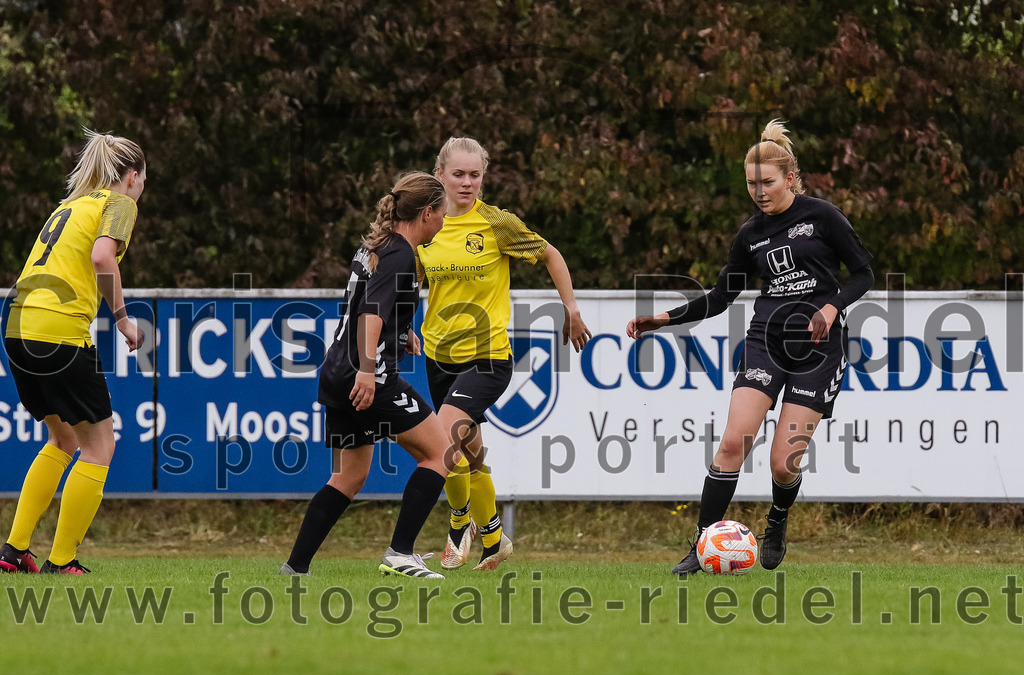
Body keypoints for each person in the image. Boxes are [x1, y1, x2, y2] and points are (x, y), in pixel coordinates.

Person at [627, 120, 873, 574]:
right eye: (751, 185)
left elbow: (863, 273)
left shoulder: (823, 217)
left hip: (818, 348)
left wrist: (832, 308)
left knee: (783, 463)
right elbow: (721, 298)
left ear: (790, 179)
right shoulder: (750, 235)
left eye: (768, 182)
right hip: (765, 341)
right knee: (731, 446)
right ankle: (702, 545)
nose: (759, 192)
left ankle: (776, 520)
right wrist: (662, 319)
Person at [418, 137, 592, 570]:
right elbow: (411, 280)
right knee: (470, 454)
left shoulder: (495, 224)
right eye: (458, 174)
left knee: (444, 441)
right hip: (438, 354)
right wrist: (404, 324)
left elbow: (550, 253)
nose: (467, 183)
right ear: (439, 175)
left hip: (488, 356)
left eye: (475, 175)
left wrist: (570, 308)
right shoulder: (427, 225)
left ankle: (460, 523)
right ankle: (494, 539)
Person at [281, 172, 454, 579]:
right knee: (440, 452)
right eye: (442, 214)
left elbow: (369, 303)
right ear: (427, 213)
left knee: (349, 476)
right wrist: (367, 370)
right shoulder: (400, 254)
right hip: (366, 376)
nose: (444, 222)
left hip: (336, 372)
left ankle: (296, 567)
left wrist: (402, 331)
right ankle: (400, 553)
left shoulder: (376, 246)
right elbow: (370, 315)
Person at [0, 129, 146, 575]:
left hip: (17, 327)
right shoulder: (119, 203)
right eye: (143, 181)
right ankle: (62, 561)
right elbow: (104, 258)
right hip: (59, 332)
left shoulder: (70, 205)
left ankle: (13, 551)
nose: (142, 190)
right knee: (100, 447)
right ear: (133, 177)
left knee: (63, 439)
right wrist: (122, 317)